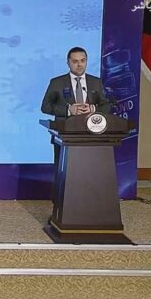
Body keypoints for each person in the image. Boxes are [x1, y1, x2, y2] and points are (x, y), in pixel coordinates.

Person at [41, 46, 111, 200]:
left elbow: (106, 106)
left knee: (88, 171)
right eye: (75, 61)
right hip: (65, 136)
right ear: (68, 63)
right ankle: (60, 204)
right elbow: (45, 106)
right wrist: (68, 110)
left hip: (91, 135)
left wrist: (93, 108)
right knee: (64, 172)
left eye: (83, 61)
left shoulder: (96, 82)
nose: (79, 65)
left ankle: (89, 202)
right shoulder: (57, 82)